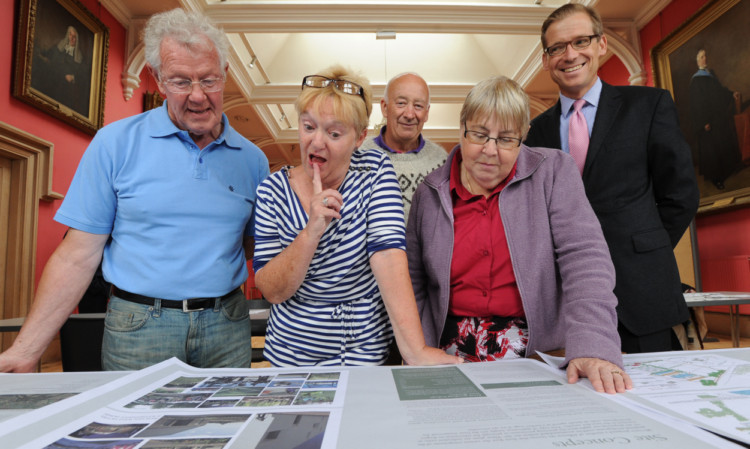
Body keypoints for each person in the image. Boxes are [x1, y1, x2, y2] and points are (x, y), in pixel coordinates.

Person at [0, 8, 270, 372]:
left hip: (226, 325)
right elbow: (76, 256)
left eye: (208, 80)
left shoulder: (252, 160)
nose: (197, 96)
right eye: (179, 81)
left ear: (224, 75)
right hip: (140, 326)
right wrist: (27, 349)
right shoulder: (114, 143)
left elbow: (253, 244)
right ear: (157, 79)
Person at [407, 75, 631, 394]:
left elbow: (585, 260)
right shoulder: (429, 193)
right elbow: (413, 284)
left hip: (541, 353)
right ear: (462, 127)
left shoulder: (553, 171)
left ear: (524, 136)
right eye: (479, 135)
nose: (490, 151)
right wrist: (418, 349)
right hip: (447, 354)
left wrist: (594, 345)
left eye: (506, 139)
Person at [252, 65, 461, 367]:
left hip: (363, 355)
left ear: (360, 137)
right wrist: (311, 231)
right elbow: (272, 290)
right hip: (292, 359)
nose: (317, 142)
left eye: (334, 133)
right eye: (308, 127)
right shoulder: (272, 190)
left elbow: (388, 257)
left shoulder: (375, 170)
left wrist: (415, 351)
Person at [524, 4, 699, 354]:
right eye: (557, 48)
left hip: (642, 293)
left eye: (580, 41)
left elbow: (681, 194)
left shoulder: (649, 106)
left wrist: (645, 246)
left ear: (601, 44)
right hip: (567, 305)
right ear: (546, 60)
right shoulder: (534, 133)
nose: (569, 54)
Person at [360, 73, 447, 220]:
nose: (409, 114)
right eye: (401, 103)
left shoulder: (441, 162)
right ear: (385, 107)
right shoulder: (360, 156)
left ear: (426, 113)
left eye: (418, 106)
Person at [689, 49, 742, 190]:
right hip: (708, 120)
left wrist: (732, 93)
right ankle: (716, 179)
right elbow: (697, 104)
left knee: (721, 144)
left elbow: (720, 90)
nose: (704, 58)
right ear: (698, 61)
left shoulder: (711, 74)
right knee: (711, 149)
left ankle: (725, 172)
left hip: (718, 117)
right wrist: (704, 122)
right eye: (701, 56)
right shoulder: (696, 80)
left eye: (705, 55)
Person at [32, 25, 90, 115]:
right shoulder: (57, 49)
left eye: (74, 36)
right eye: (70, 35)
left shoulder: (79, 57)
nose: (72, 38)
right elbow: (47, 56)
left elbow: (83, 75)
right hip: (54, 82)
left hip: (67, 89)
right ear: (67, 35)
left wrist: (73, 77)